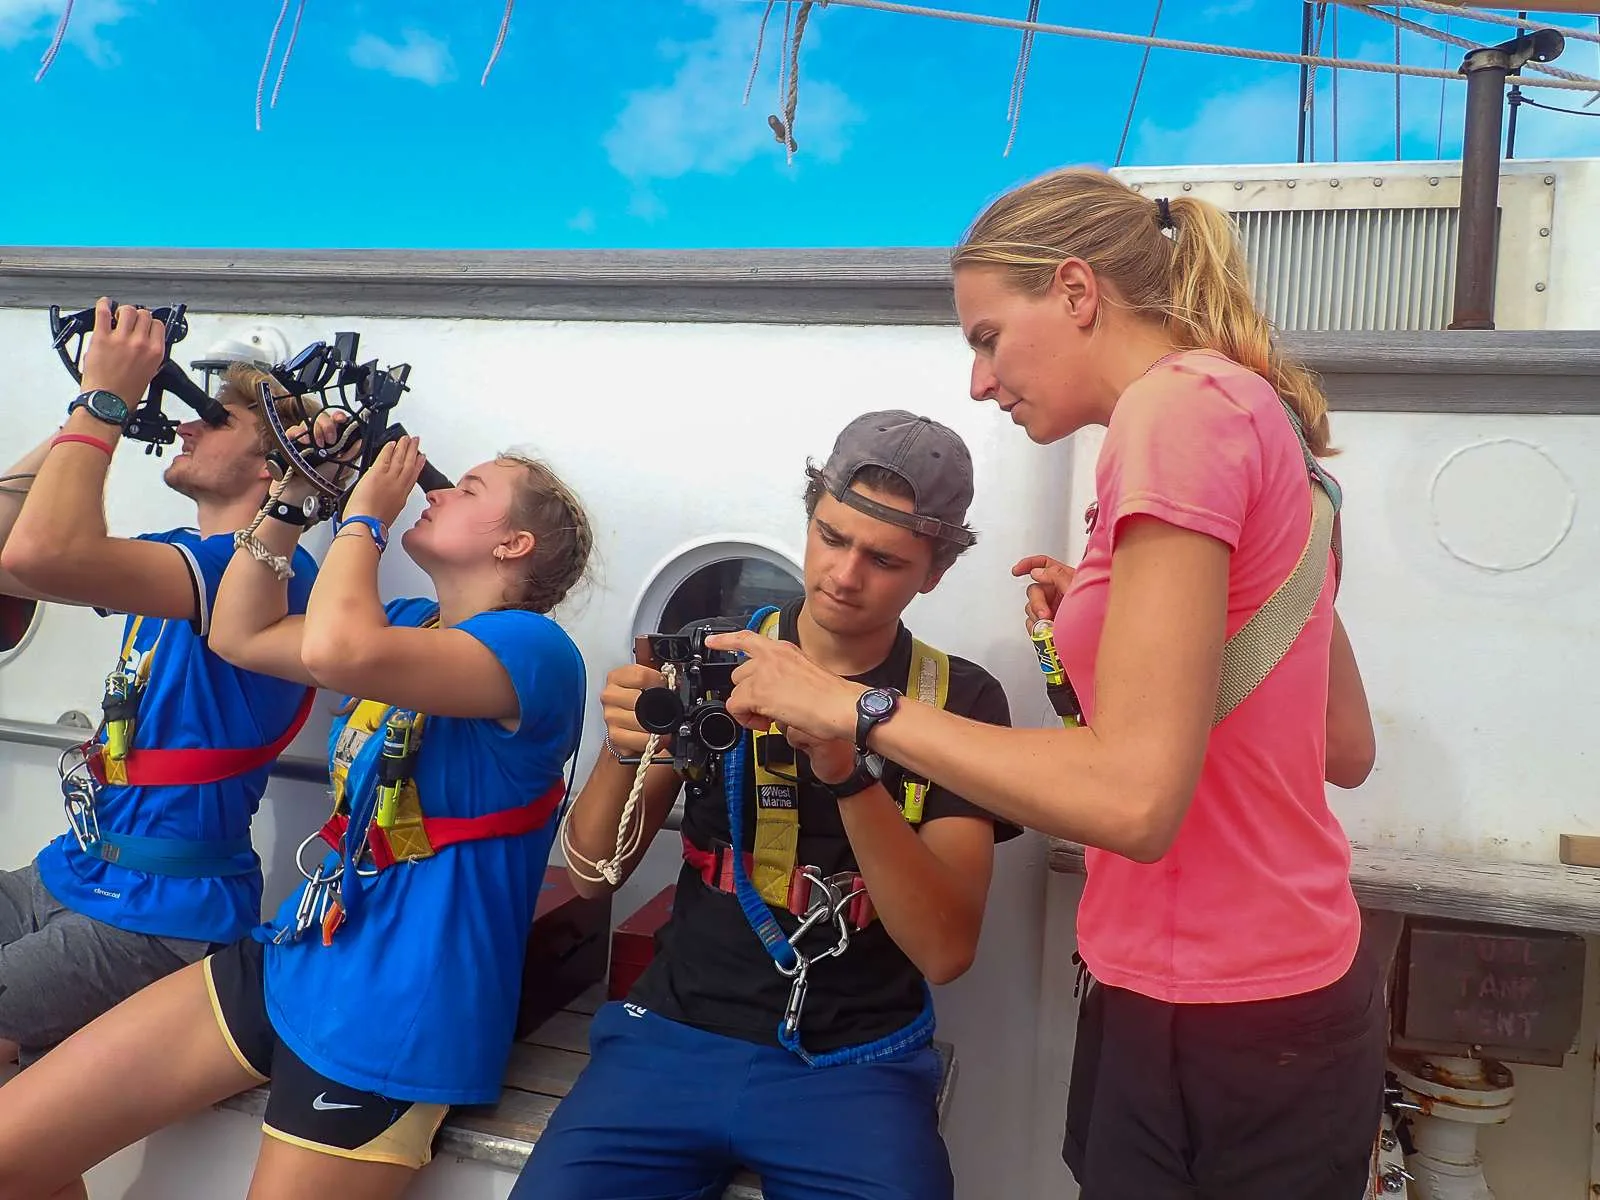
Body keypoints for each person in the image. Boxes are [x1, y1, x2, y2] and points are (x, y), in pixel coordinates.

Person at [710, 169, 1381, 1200]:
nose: (979, 381)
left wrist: (852, 706)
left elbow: (1131, 803)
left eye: (984, 337)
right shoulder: (1265, 423)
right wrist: (1122, 614)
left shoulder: (1172, 416)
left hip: (1204, 1008)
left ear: (1074, 291)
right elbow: (1341, 745)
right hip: (1284, 992)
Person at [0, 430, 593, 1199]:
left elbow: (340, 650)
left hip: (395, 1008)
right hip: (299, 954)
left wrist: (365, 519)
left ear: (515, 545)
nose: (439, 491)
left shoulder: (534, 650)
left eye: (468, 490)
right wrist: (293, 499)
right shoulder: (412, 621)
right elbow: (242, 633)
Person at [514, 411, 1019, 1200]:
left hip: (857, 1064)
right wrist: (623, 748)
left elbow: (946, 950)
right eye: (831, 536)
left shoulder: (959, 700)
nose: (844, 575)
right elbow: (590, 878)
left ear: (935, 572)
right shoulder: (710, 655)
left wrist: (849, 772)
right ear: (809, 519)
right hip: (672, 1037)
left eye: (883, 559)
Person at [0, 300, 318, 1076]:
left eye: (220, 418)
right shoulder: (181, 555)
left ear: (274, 468)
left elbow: (43, 557)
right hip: (71, 872)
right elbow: (12, 545)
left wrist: (104, 405)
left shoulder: (263, 572)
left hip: (159, 917)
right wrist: (112, 402)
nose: (187, 424)